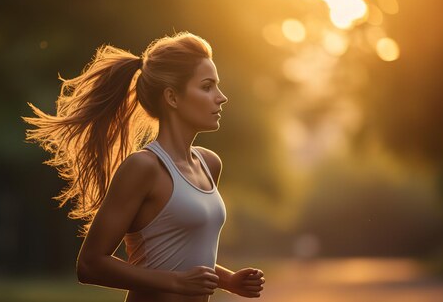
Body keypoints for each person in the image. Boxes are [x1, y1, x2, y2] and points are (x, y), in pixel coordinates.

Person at [23, 31, 265, 302]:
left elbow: (182, 254)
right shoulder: (143, 167)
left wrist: (229, 280)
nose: (221, 97)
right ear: (172, 98)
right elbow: (90, 265)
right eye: (207, 86)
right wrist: (175, 282)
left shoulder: (209, 164)